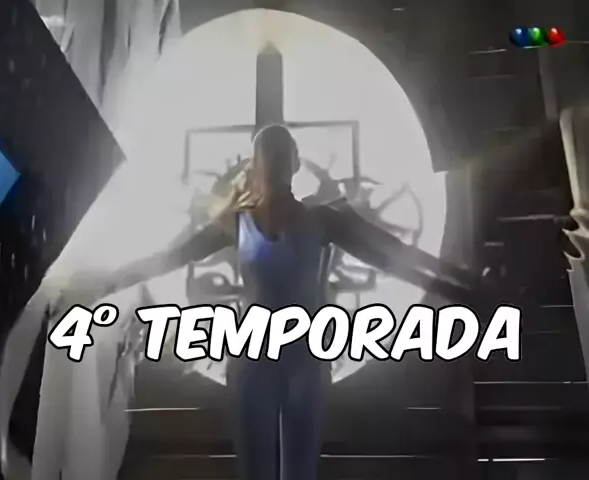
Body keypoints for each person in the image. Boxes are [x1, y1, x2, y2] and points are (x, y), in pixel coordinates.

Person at [56, 124, 488, 480]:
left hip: (300, 362)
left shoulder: (320, 219)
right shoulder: (242, 222)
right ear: (266, 164)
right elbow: (171, 258)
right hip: (256, 365)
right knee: (259, 471)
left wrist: (461, 288)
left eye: (282, 154)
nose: (278, 163)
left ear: (289, 164)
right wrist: (103, 285)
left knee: (296, 470)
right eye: (273, 154)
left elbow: (394, 255)